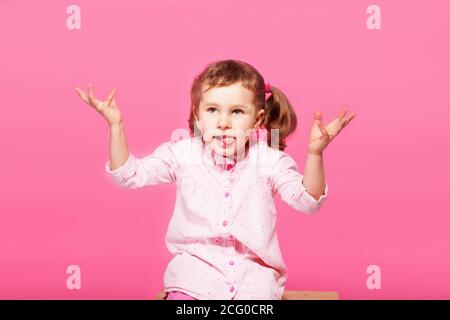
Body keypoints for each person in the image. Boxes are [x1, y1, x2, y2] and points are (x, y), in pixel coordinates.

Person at [75, 59, 356, 300]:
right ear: (198, 115)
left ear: (257, 121)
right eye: (212, 110)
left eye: (236, 112)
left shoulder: (269, 160)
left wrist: (315, 155)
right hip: (193, 279)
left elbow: (307, 201)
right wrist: (116, 127)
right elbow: (129, 174)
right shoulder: (182, 153)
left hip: (253, 282)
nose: (223, 122)